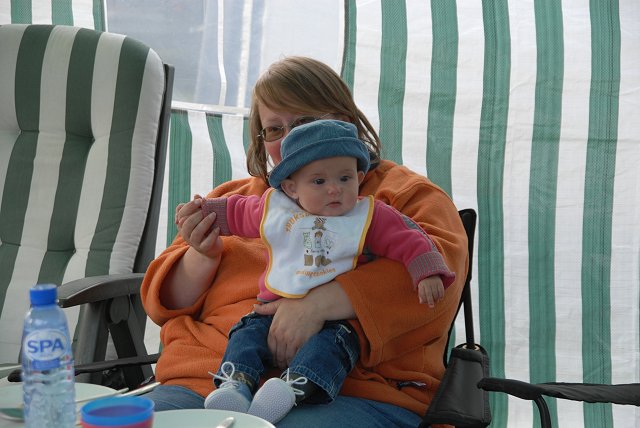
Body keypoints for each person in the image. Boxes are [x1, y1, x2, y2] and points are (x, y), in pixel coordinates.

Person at [140, 56, 468, 427]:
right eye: (274, 130)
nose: (289, 140)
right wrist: (204, 255)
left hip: (351, 392)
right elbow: (164, 304)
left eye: (304, 123)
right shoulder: (236, 201)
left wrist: (318, 305)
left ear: (344, 121)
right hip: (203, 380)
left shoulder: (404, 195)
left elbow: (439, 274)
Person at [191, 119, 456, 423]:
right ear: (291, 188)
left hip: (335, 321)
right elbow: (236, 212)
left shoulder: (368, 217)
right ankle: (236, 384)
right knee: (246, 333)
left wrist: (426, 271)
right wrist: (202, 212)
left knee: (335, 348)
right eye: (318, 182)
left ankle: (293, 387)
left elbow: (408, 238)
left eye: (345, 178)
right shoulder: (274, 210)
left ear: (359, 178)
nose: (334, 189)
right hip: (272, 311)